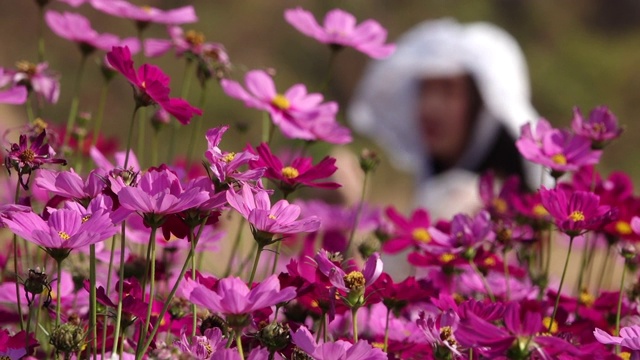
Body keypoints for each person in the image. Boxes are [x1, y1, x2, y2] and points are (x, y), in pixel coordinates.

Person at [348, 18, 543, 219]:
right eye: (425, 88)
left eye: (448, 90)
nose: (429, 106)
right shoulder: (433, 187)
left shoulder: (489, 208)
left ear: (482, 105)